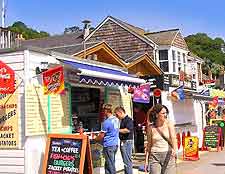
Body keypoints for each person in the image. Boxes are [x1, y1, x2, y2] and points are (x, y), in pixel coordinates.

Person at [144, 104, 177, 174]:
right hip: (154, 156)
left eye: (166, 113)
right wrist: (146, 161)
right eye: (163, 113)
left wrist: (174, 150)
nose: (165, 115)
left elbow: (173, 138)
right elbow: (149, 144)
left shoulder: (169, 124)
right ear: (156, 115)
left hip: (168, 155)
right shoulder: (151, 127)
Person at [95, 104, 119, 174]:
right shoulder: (116, 119)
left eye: (103, 111)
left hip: (108, 145)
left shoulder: (106, 122)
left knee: (110, 165)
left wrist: (95, 138)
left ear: (106, 111)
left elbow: (101, 136)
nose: (102, 112)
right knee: (108, 163)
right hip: (115, 144)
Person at [114, 106, 134, 174]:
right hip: (124, 141)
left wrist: (116, 130)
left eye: (117, 114)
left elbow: (127, 130)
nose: (117, 116)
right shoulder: (122, 120)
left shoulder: (128, 120)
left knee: (127, 160)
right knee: (126, 160)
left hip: (127, 142)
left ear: (121, 112)